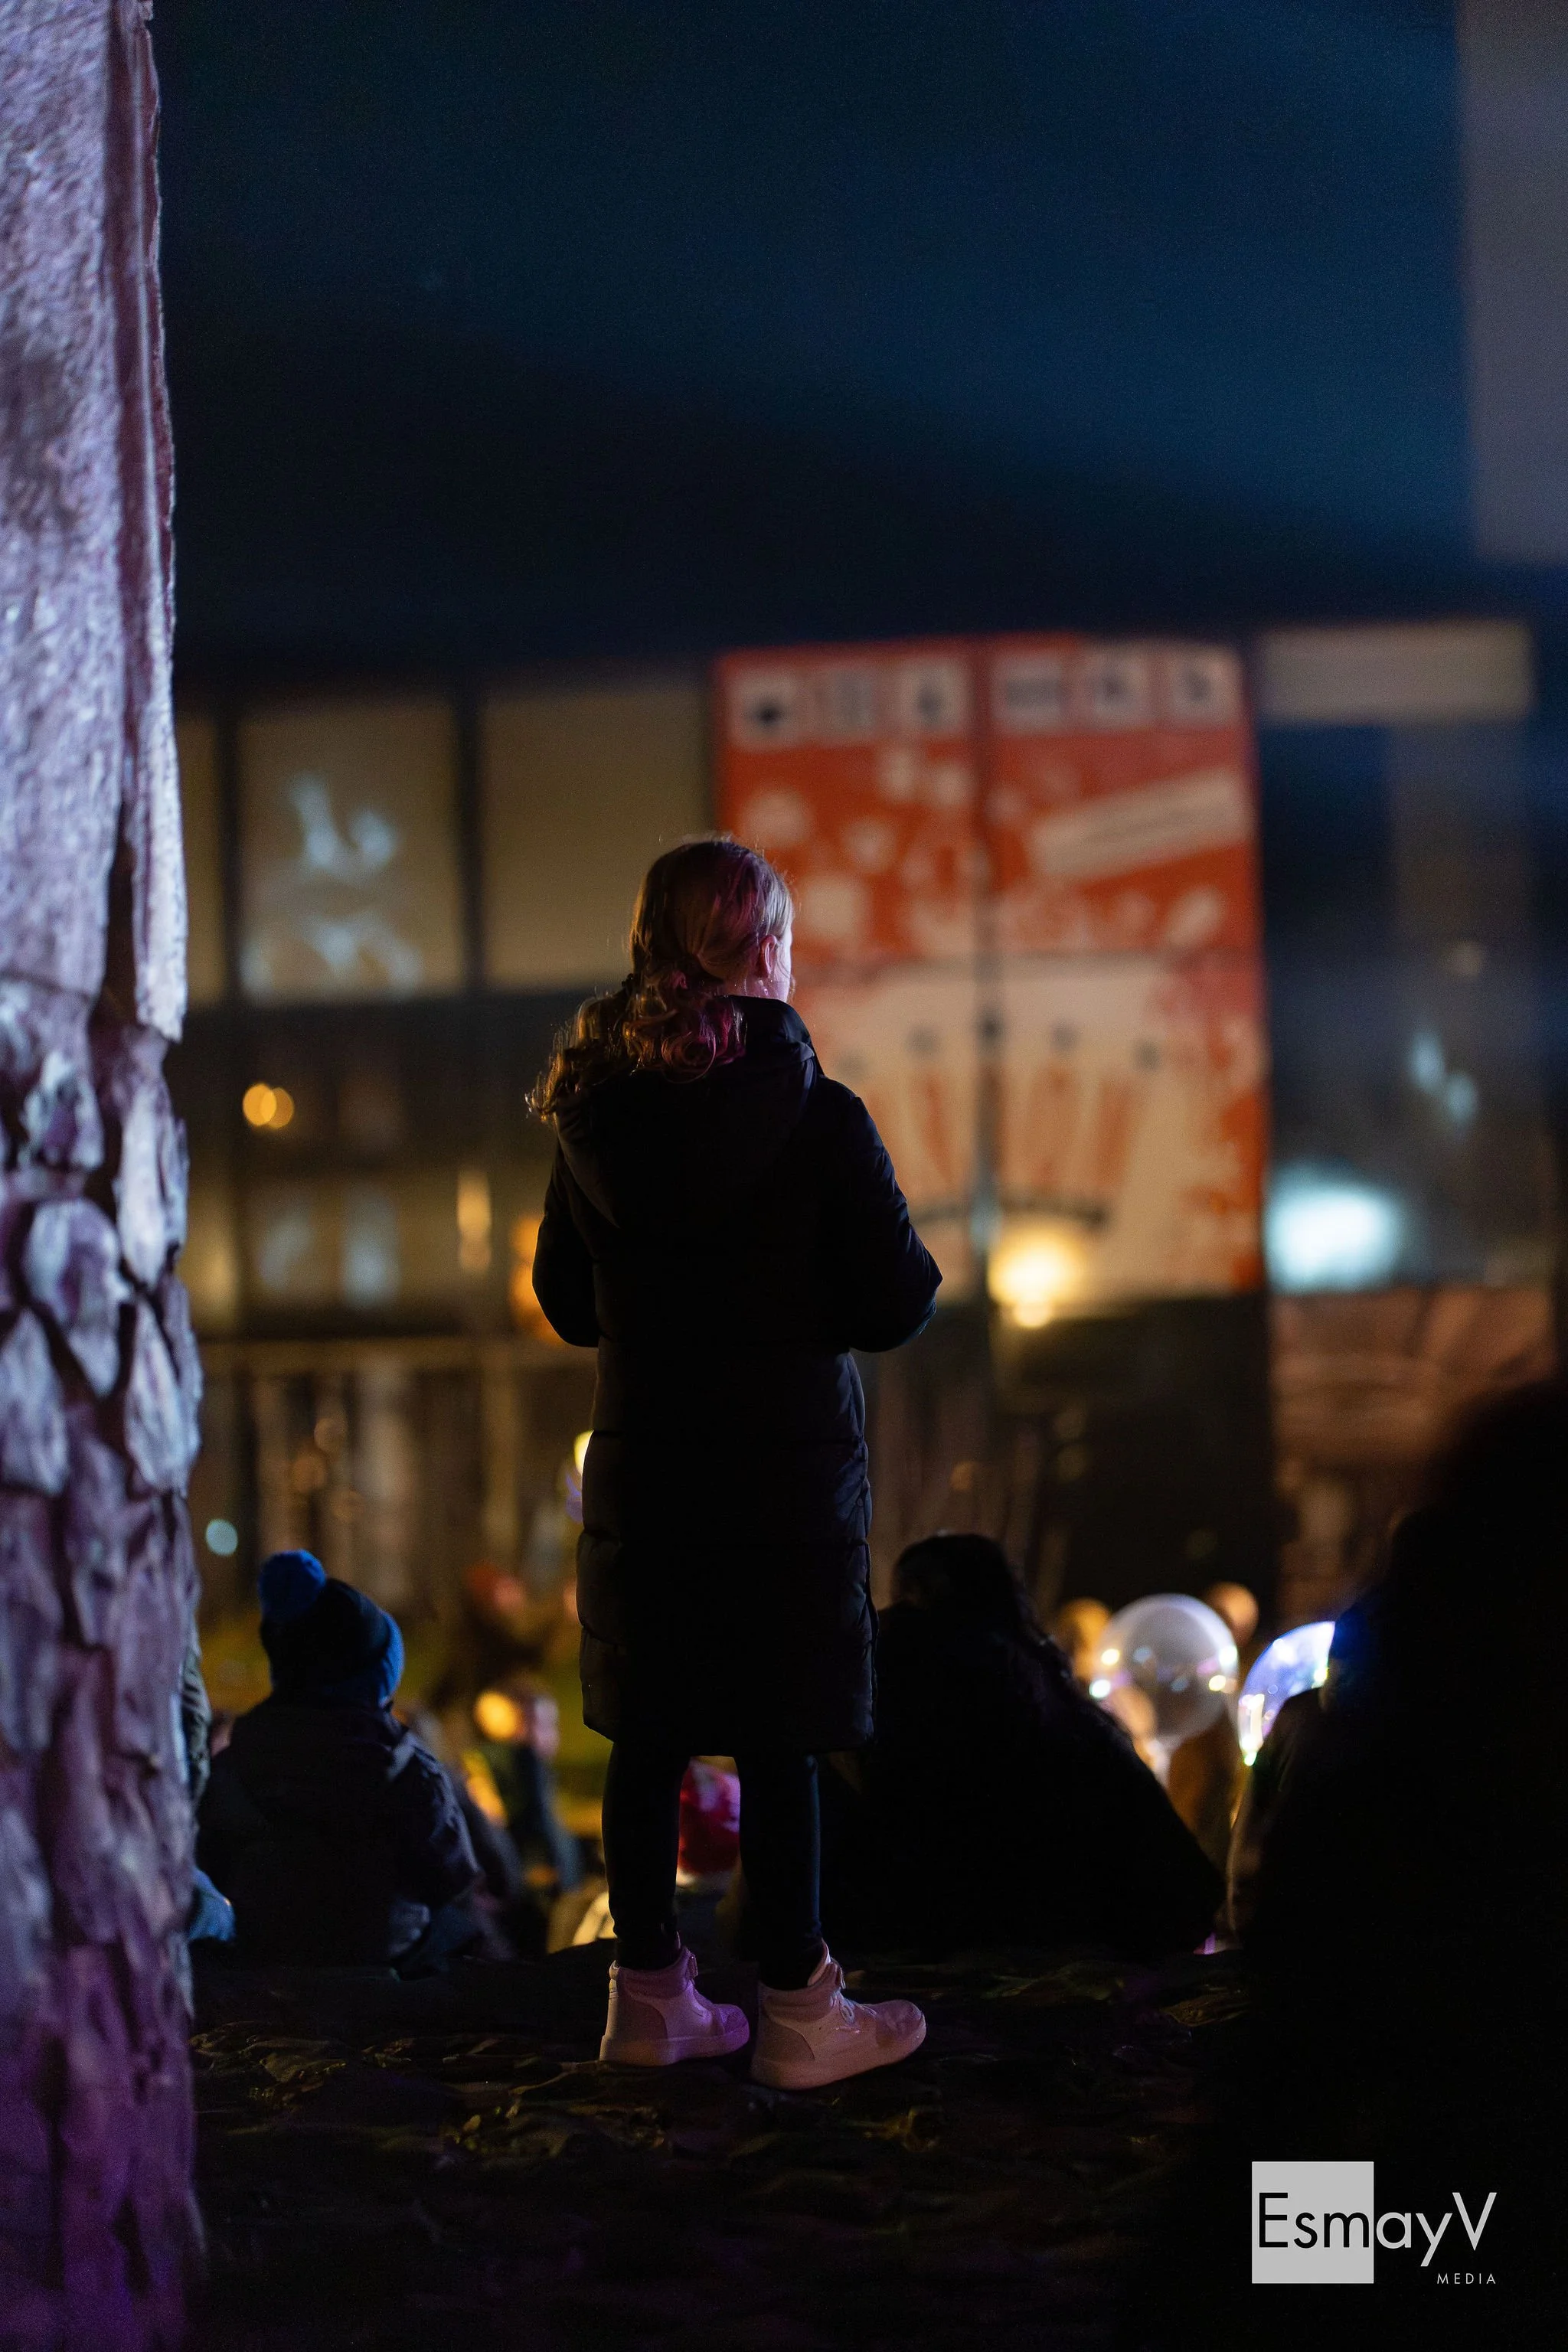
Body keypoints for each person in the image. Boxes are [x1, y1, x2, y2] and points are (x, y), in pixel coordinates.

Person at [530, 835, 939, 2086]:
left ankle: (648, 1993)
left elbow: (564, 1298)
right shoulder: (815, 1114)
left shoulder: (592, 1115)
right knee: (781, 1733)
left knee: (647, 1731)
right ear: (764, 945)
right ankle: (800, 2009)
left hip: (649, 1472)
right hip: (781, 1479)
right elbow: (895, 1299)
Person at [816, 1533, 1221, 1957]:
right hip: (1071, 1965)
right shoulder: (1057, 1697)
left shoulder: (888, 1677)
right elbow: (1177, 1884)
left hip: (912, 1965)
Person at [198, 1551, 480, 1968]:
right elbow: (450, 1876)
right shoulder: (407, 1767)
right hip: (388, 1961)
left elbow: (213, 1861)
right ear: (379, 1681)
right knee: (466, 1928)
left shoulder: (234, 1765)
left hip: (269, 1958)